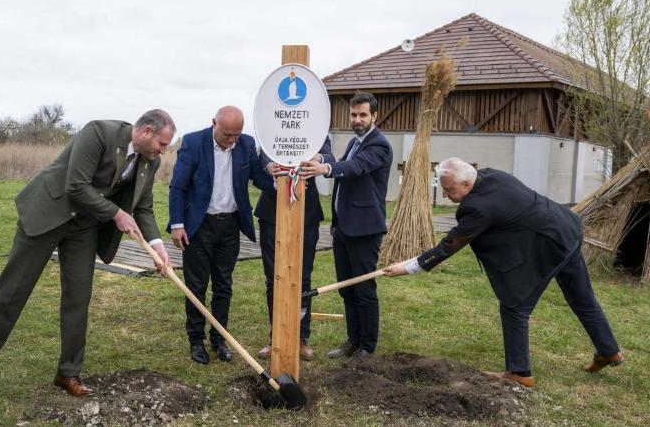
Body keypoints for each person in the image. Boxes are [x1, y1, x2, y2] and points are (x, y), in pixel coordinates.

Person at [0, 110, 176, 397]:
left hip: (84, 225)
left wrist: (158, 247)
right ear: (147, 131)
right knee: (13, 290)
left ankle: (68, 373)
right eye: (163, 143)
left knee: (78, 296)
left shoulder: (151, 161)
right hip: (49, 211)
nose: (165, 150)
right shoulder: (99, 132)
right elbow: (76, 185)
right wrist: (116, 213)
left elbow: (144, 207)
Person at [384, 157, 623, 388]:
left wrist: (408, 267)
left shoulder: (478, 208)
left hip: (551, 244)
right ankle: (608, 351)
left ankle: (519, 373)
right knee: (581, 297)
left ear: (466, 184)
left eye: (448, 189)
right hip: (566, 230)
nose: (445, 195)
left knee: (515, 306)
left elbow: (449, 245)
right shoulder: (491, 175)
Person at [168, 106, 275, 365]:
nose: (232, 140)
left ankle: (219, 339)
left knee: (224, 285)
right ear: (213, 123)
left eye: (236, 135)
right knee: (196, 286)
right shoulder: (194, 143)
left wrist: (278, 177)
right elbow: (177, 187)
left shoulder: (246, 144)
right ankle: (196, 340)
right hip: (199, 227)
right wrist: (177, 224)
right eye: (227, 135)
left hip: (230, 226)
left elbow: (258, 178)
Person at [300, 92, 393, 364]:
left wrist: (325, 167)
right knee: (346, 289)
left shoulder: (379, 145)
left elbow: (355, 168)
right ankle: (353, 340)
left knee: (363, 289)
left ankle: (367, 348)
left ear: (374, 116)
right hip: (344, 229)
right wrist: (337, 222)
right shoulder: (354, 141)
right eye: (354, 115)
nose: (357, 119)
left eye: (363, 115)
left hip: (365, 230)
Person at [255, 138, 335, 361]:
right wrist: (270, 165)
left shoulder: (316, 129)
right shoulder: (275, 126)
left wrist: (314, 160)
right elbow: (264, 155)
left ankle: (301, 338)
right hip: (271, 213)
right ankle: (277, 339)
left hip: (307, 214)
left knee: (303, 278)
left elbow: (328, 157)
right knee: (274, 278)